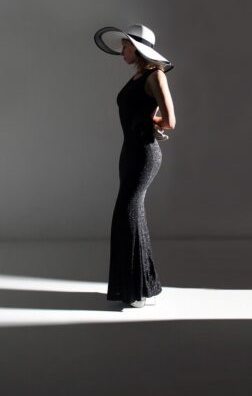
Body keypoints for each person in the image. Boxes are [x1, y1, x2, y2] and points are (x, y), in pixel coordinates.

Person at [93, 24, 176, 308]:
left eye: (125, 47)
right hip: (129, 152)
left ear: (137, 47)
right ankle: (142, 289)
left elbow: (170, 121)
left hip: (144, 154)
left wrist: (149, 123)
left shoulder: (155, 76)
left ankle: (135, 291)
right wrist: (144, 120)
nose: (121, 53)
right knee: (133, 215)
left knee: (125, 215)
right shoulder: (137, 76)